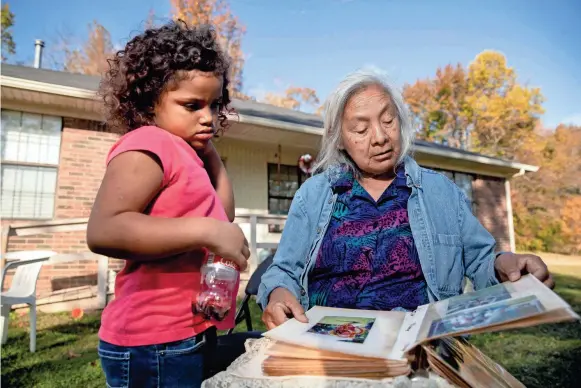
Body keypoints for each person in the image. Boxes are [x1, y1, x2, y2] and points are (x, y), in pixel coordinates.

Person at [258, 68, 554, 330]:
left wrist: (506, 265)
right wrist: (278, 293)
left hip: (418, 347)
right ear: (340, 138)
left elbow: (480, 261)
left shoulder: (442, 192)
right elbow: (284, 270)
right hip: (330, 346)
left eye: (388, 121)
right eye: (361, 129)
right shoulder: (315, 194)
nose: (379, 137)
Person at [86, 21, 250, 388]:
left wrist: (211, 155)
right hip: (152, 340)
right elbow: (104, 229)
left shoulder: (188, 153)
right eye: (192, 105)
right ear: (150, 103)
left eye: (214, 104)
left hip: (186, 332)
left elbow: (224, 215)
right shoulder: (149, 144)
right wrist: (205, 230)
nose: (207, 117)